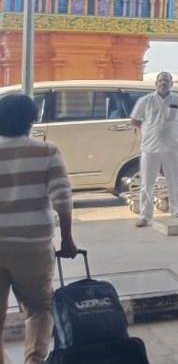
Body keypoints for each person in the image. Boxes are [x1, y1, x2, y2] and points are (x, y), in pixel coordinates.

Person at [0, 94, 78, 364]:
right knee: (39, 308)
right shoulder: (47, 151)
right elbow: (62, 199)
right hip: (33, 246)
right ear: (32, 121)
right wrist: (67, 239)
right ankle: (33, 361)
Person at [130, 71, 178, 227]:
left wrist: (173, 130)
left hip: (172, 147)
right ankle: (144, 215)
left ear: (172, 84)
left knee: (174, 181)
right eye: (161, 80)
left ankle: (177, 213)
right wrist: (149, 129)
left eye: (167, 81)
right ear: (156, 83)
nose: (163, 83)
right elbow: (135, 119)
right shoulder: (146, 101)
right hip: (150, 147)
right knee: (147, 183)